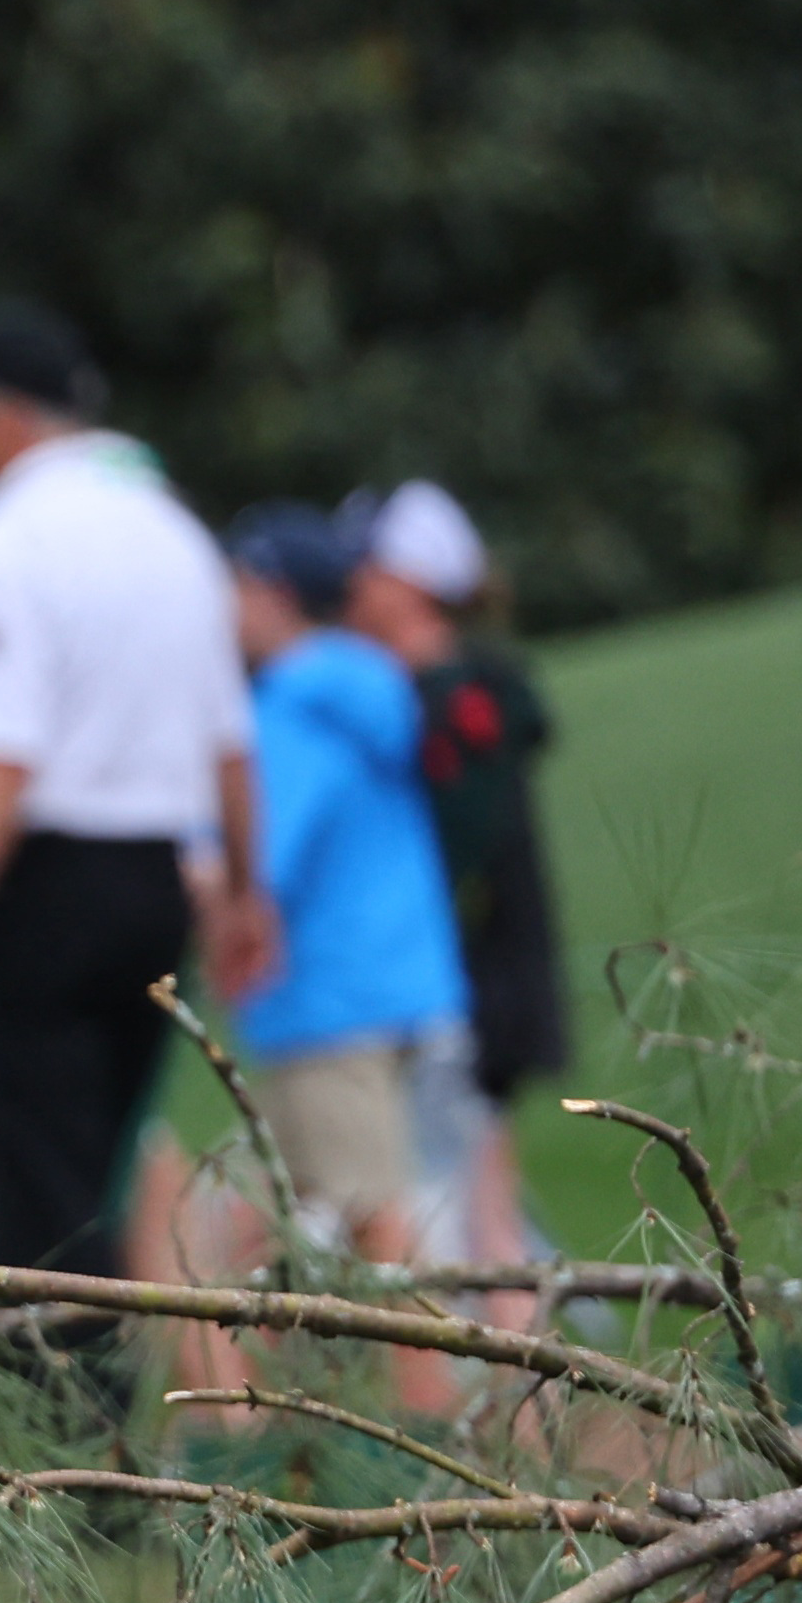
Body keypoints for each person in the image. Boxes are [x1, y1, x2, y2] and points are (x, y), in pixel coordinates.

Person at [0, 307, 258, 1413]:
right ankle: (96, 1438)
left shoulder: (3, 540)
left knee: (37, 1189)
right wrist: (247, 889)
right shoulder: (174, 533)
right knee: (98, 1167)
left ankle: (52, 1462)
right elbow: (229, 740)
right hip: (156, 882)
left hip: (47, 886)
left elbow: (0, 755)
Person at [192, 504, 465, 1271]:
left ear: (271, 591)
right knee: (326, 1213)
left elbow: (257, 861)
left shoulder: (288, 710)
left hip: (327, 1003)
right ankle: (261, 1389)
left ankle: (430, 1395)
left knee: (374, 1222)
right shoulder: (369, 686)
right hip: (402, 986)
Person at [340, 482, 563, 1260]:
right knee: (474, 1198)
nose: (349, 585)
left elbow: (456, 851)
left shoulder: (459, 706)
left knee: (477, 1207)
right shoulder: (430, 695)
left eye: (364, 566)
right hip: (458, 985)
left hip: (469, 990)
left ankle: (517, 1370)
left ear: (409, 583)